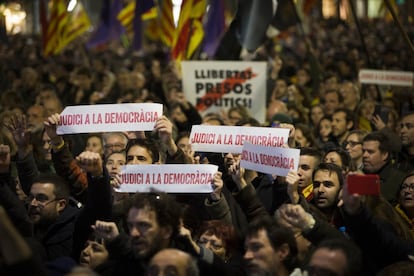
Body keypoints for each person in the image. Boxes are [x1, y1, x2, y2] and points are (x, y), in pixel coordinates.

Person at [92, 191, 182, 275]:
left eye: (143, 225)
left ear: (167, 231)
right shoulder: (114, 270)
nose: (134, 233)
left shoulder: (188, 269)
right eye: (130, 225)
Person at [362, 131, 406, 204]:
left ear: (384, 155)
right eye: (363, 151)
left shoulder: (400, 180)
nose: (364, 155)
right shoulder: (358, 175)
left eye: (370, 152)